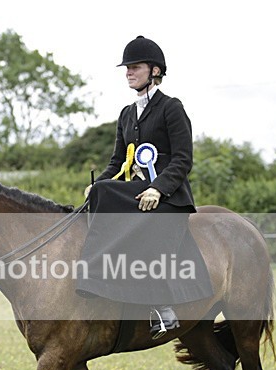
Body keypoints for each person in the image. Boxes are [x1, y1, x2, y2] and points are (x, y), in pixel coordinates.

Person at [77, 35, 210, 339]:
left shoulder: (171, 108)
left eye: (134, 67)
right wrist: (97, 185)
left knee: (111, 198)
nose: (128, 72)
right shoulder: (126, 114)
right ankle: (98, 281)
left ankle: (163, 306)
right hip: (137, 193)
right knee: (100, 192)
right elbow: (116, 163)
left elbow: (182, 159)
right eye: (126, 68)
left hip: (168, 197)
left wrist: (158, 189)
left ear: (154, 71)